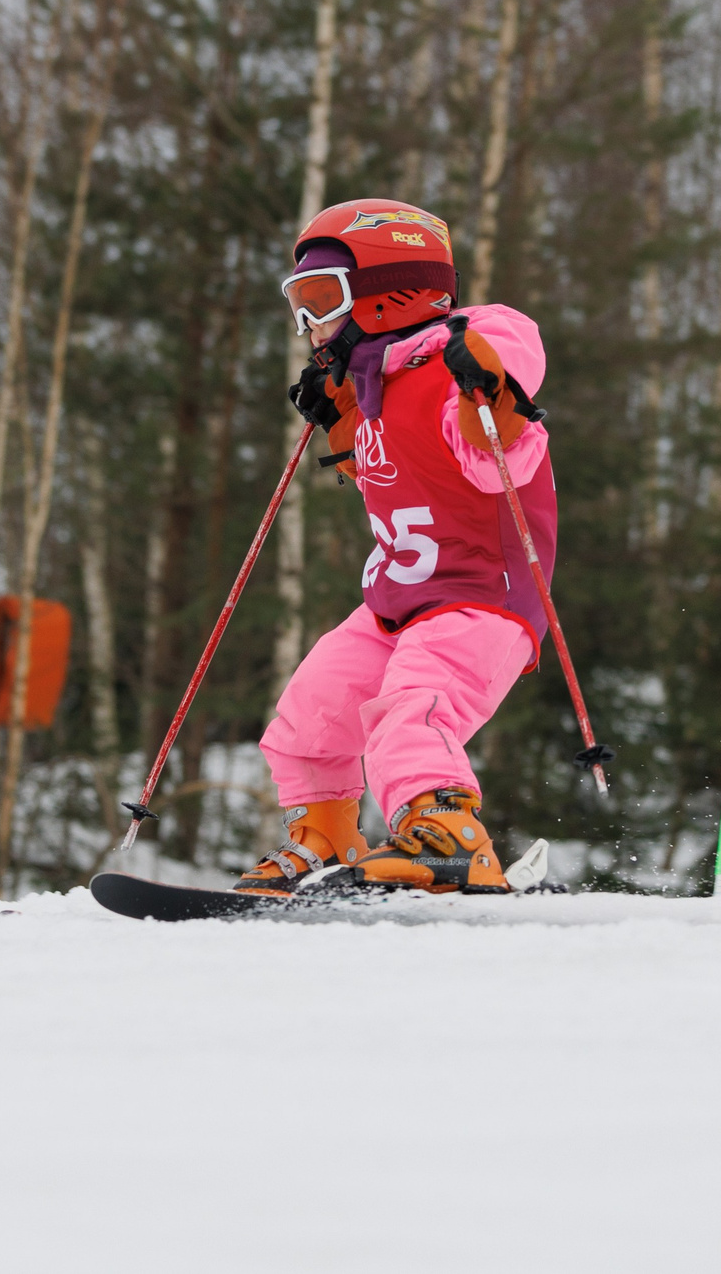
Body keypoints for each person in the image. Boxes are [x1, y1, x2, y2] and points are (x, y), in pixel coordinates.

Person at [236, 198, 556, 897]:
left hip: (478, 600)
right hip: (395, 600)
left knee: (412, 708)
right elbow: (386, 474)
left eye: (324, 299)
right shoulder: (371, 384)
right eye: (301, 303)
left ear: (390, 292)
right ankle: (325, 838)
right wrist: (341, 418)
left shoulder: (463, 359)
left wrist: (490, 393)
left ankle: (450, 837)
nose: (309, 322)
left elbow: (494, 454)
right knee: (310, 715)